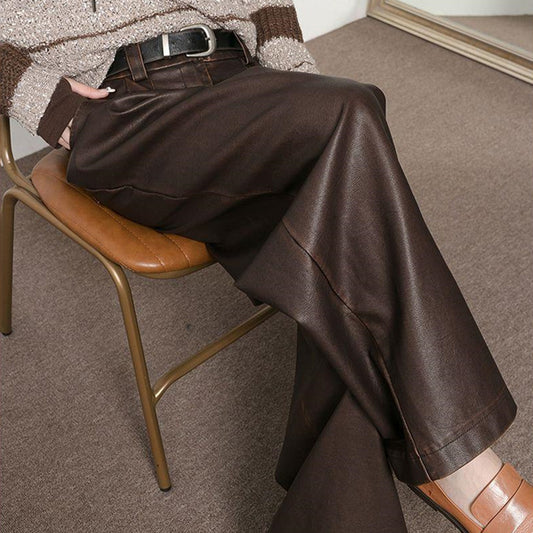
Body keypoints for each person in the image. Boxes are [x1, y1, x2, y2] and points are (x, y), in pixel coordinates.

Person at [1, 2, 532, 531]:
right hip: (130, 108)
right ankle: (462, 465)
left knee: (345, 183)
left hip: (239, 80)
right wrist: (47, 103)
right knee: (353, 119)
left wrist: (299, 86)